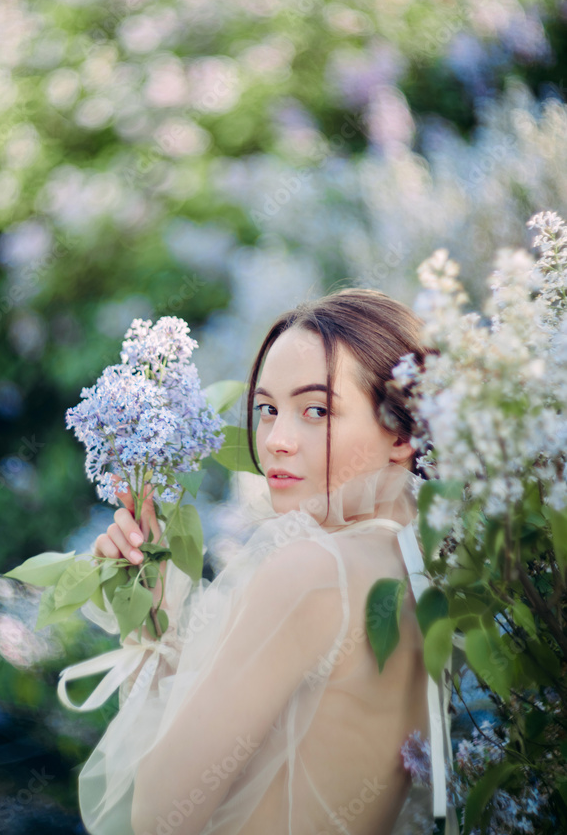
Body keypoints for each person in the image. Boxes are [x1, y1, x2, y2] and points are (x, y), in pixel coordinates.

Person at [60, 288, 453, 835]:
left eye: (316, 410)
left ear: (404, 435)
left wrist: (151, 640)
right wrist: (154, 616)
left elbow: (156, 817)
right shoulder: (422, 565)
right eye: (268, 410)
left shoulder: (312, 572)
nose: (277, 441)